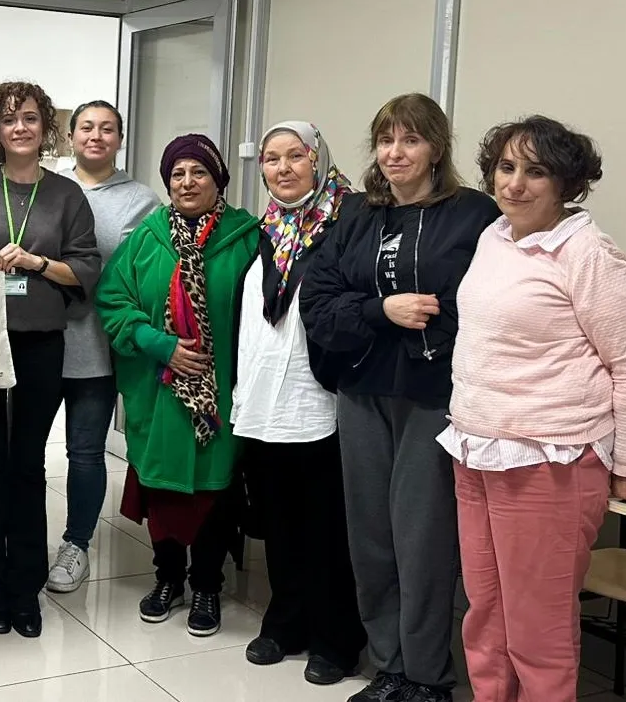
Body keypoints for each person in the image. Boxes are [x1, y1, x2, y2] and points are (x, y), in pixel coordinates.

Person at [299, 93, 500, 702]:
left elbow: (489, 307)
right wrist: (380, 311)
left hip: (433, 396)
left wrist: (418, 320)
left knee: (423, 539)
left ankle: (428, 676)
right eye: (386, 140)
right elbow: (317, 303)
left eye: (410, 140)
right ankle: (389, 666)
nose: (395, 153)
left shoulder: (474, 215)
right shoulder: (357, 215)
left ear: (436, 148)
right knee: (371, 537)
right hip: (363, 391)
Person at [445, 116, 625, 702]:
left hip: (552, 459)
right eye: (506, 167)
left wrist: (623, 464)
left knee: (537, 630)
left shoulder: (587, 252)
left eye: (536, 172)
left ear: (567, 183)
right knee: (485, 614)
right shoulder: (494, 236)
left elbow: (624, 362)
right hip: (476, 449)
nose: (515, 184)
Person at [0, 80, 100, 638]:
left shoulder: (67, 195)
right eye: (9, 118)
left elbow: (85, 270)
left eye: (30, 118)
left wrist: (36, 263)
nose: (20, 127)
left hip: (40, 342)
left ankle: (25, 587)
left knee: (29, 460)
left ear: (44, 127)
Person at [97, 134, 258, 639]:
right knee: (162, 490)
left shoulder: (248, 237)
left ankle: (207, 584)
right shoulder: (147, 237)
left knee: (215, 490)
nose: (187, 183)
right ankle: (167, 578)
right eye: (177, 174)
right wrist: (160, 344)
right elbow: (113, 300)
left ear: (218, 180)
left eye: (198, 172)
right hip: (160, 390)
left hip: (221, 394)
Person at [233, 121, 365, 686]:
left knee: (327, 527)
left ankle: (336, 638)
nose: (283, 168)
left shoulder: (349, 221)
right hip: (265, 399)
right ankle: (286, 622)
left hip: (320, 400)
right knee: (280, 521)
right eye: (271, 158)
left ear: (318, 159)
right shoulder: (266, 227)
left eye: (295, 156)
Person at [47, 100, 158, 593]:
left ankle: (77, 544)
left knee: (86, 452)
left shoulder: (141, 201)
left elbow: (145, 276)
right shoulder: (46, 186)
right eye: (87, 127)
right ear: (71, 135)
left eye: (107, 128)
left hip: (97, 346)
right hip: (37, 341)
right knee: (16, 450)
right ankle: (0, 531)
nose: (96, 136)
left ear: (119, 138)